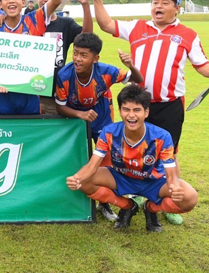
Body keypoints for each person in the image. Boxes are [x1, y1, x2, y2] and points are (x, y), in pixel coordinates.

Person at [91, 0, 209, 225]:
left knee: (169, 152)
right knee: (133, 149)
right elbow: (106, 24)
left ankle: (170, 200)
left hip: (169, 104)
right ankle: (136, 193)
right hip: (137, 105)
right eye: (155, 2)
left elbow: (202, 65)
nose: (158, 6)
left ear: (177, 8)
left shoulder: (188, 34)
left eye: (165, 2)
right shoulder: (137, 27)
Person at [66, 86, 199, 232]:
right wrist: (77, 178)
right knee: (84, 181)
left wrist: (174, 187)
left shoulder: (162, 137)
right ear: (120, 110)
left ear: (146, 112)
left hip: (153, 181)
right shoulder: (109, 132)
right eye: (126, 109)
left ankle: (151, 208)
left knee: (190, 198)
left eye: (137, 110)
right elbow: (92, 166)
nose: (131, 115)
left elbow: (171, 176)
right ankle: (127, 206)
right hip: (122, 177)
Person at [55, 32, 144, 221]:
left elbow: (137, 79)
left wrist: (130, 65)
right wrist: (80, 114)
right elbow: (60, 106)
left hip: (102, 117)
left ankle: (105, 204)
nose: (77, 59)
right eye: (75, 53)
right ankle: (73, 199)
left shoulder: (107, 71)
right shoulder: (64, 75)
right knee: (77, 157)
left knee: (106, 160)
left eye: (84, 55)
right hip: (75, 118)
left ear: (95, 58)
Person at [37, 0, 93, 114]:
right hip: (31, 95)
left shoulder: (66, 24)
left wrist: (85, 5)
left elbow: (87, 37)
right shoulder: (27, 22)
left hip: (56, 96)